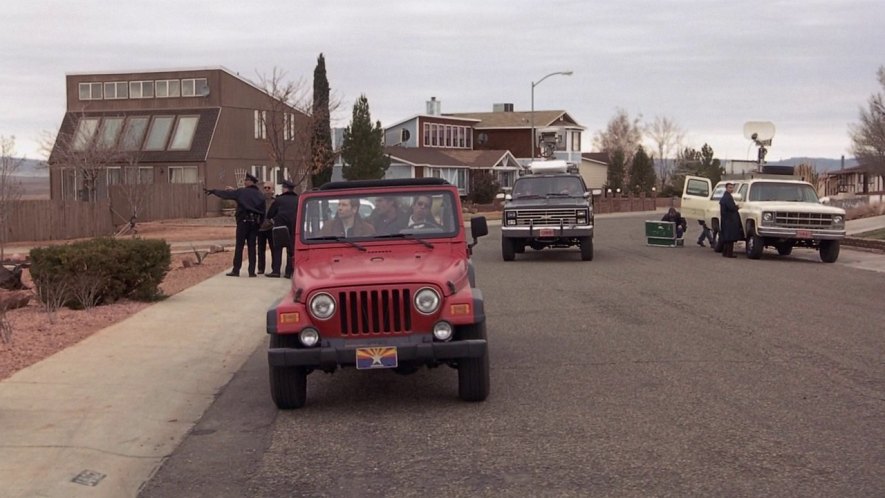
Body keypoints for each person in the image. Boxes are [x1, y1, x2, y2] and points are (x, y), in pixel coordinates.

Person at [205, 173, 266, 276]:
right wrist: (259, 224)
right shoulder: (260, 195)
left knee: (239, 246)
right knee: (252, 247)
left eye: (246, 180)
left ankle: (236, 270)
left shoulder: (242, 192)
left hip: (243, 223)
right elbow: (263, 211)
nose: (244, 182)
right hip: (254, 223)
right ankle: (251, 272)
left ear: (250, 182)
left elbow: (226, 194)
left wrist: (214, 191)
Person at [265, 179, 298, 278]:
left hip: (280, 227)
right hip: (294, 227)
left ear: (285, 189)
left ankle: (276, 271)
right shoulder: (298, 199)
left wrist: (273, 219)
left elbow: (270, 214)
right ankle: (288, 272)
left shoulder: (279, 200)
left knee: (277, 248)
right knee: (290, 250)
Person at [256, 182, 276, 274]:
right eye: (265, 188)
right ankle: (261, 268)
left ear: (272, 189)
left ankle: (275, 268)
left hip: (271, 228)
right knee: (260, 250)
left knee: (274, 249)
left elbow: (279, 213)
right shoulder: (259, 200)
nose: (267, 189)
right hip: (261, 228)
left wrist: (273, 221)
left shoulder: (275, 201)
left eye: (269, 188)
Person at [719, 182, 741, 258]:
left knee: (727, 237)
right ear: (726, 188)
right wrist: (737, 207)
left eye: (732, 187)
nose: (731, 189)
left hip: (726, 219)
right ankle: (729, 254)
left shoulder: (726, 196)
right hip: (729, 220)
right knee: (730, 237)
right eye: (730, 187)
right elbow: (731, 207)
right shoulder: (727, 197)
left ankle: (725, 253)